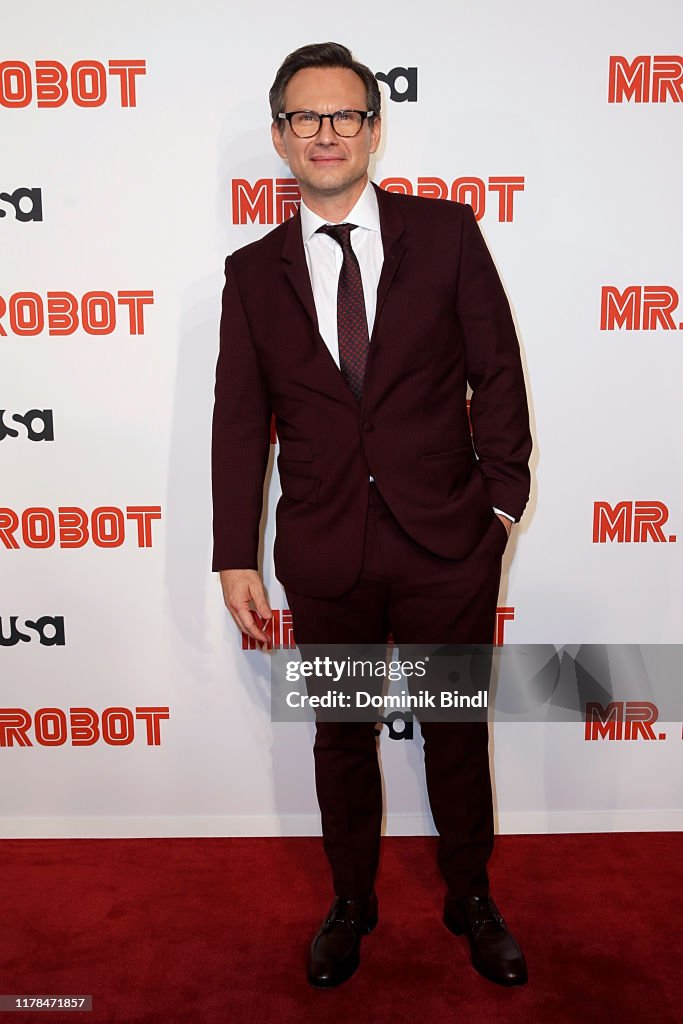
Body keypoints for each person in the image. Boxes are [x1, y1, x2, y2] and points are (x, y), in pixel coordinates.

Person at [211, 42, 532, 989]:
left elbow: (498, 373)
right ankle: (350, 902)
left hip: (447, 544)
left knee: (454, 729)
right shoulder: (250, 271)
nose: (325, 133)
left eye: (344, 115)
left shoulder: (447, 234)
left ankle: (470, 896)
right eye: (304, 118)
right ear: (279, 136)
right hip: (326, 552)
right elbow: (239, 423)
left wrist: (500, 507)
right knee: (341, 737)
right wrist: (237, 554)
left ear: (374, 129)